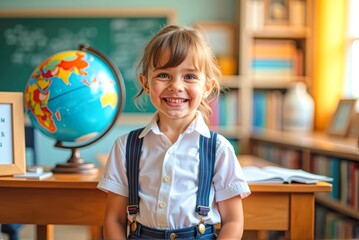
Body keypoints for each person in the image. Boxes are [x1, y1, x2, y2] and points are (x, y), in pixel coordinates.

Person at [97, 24, 251, 240]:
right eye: (163, 75)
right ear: (146, 83)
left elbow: (233, 221)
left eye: (189, 77)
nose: (176, 86)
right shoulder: (125, 146)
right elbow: (114, 219)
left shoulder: (219, 149)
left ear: (207, 86)